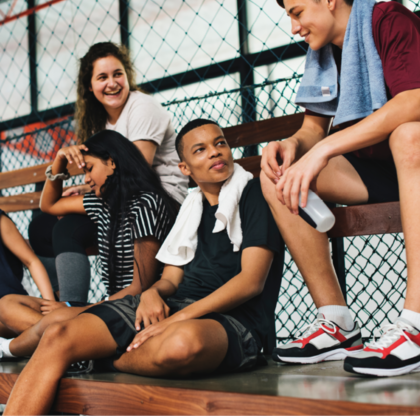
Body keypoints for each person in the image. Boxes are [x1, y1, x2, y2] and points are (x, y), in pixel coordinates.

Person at [4, 119, 285, 415]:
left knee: (181, 344)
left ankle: (93, 355)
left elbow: (251, 282)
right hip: (172, 306)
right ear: (185, 169)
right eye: (200, 150)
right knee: (57, 334)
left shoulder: (252, 194)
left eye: (220, 143)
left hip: (234, 319)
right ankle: (82, 351)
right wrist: (153, 293)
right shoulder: (192, 208)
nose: (215, 153)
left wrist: (175, 319)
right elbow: (171, 278)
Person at [261, 0, 420, 377]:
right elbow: (313, 128)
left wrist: (323, 149)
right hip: (385, 171)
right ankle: (337, 323)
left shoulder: (388, 20)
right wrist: (293, 146)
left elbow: (411, 106)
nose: (294, 27)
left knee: (409, 136)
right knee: (277, 173)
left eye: (297, 13)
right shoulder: (323, 52)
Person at [28, 42, 188, 302]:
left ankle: (75, 310)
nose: (112, 83)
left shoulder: (142, 107)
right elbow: (102, 177)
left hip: (158, 201)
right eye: (102, 77)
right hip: (118, 198)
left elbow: (135, 171)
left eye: (118, 74)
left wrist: (82, 189)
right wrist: (72, 178)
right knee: (43, 228)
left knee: (65, 227)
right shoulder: (99, 122)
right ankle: (66, 303)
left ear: (127, 76)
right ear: (89, 86)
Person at [0, 130, 178, 361]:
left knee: (54, 320)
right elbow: (49, 205)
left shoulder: (145, 204)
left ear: (112, 163)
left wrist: (74, 311)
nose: (85, 179)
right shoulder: (101, 203)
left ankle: (14, 349)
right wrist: (59, 163)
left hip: (136, 308)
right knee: (7, 304)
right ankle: (72, 345)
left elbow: (140, 288)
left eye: (89, 169)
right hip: (111, 304)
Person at [0, 209, 54, 340]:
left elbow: (32, 262)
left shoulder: (1, 221)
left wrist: (50, 303)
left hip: (12, 306)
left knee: (5, 307)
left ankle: (67, 334)